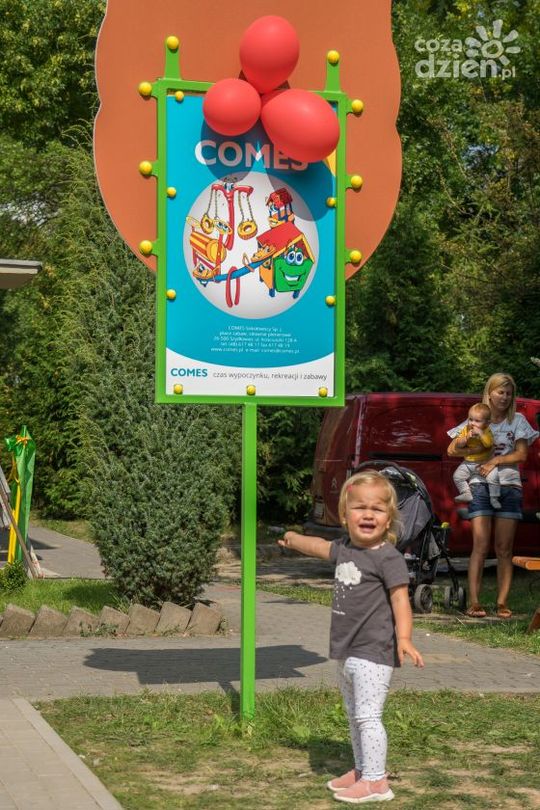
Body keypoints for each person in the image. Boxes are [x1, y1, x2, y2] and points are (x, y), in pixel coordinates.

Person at [279, 470, 424, 805]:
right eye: (360, 507)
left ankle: (376, 782)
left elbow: (401, 600)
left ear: (389, 519)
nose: (368, 514)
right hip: (347, 650)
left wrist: (404, 638)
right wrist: (293, 539)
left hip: (373, 651)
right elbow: (319, 547)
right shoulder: (345, 548)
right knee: (353, 714)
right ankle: (362, 770)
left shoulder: (388, 557)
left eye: (377, 509)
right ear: (345, 515)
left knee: (368, 716)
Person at [447, 373, 539, 619]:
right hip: (479, 486)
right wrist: (467, 444)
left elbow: (521, 455)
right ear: (489, 393)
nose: (505, 397)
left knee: (504, 548)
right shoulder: (476, 418)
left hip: (509, 487)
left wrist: (495, 460)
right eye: (500, 392)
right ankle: (475, 603)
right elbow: (452, 449)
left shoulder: (517, 420)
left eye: (509, 393)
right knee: (480, 546)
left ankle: (502, 603)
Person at [452, 402, 501, 509]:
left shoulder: (487, 431)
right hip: (468, 462)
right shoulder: (466, 429)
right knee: (457, 476)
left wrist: (481, 433)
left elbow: (488, 444)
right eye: (471, 419)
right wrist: (466, 438)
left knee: (493, 478)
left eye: (477, 421)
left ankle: (494, 498)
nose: (473, 423)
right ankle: (466, 493)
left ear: (487, 423)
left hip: (483, 463)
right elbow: (458, 444)